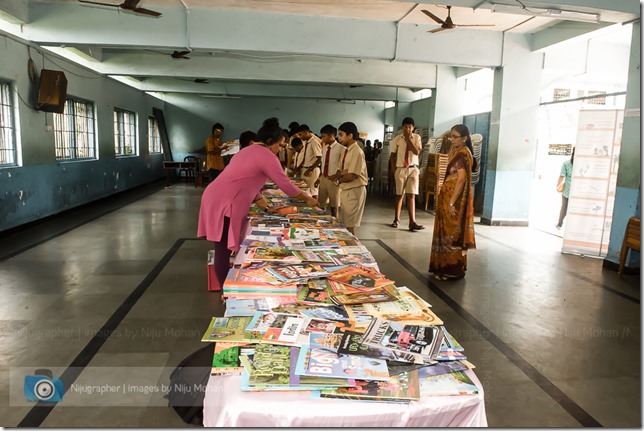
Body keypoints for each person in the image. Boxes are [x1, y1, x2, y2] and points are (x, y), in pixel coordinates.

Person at [197, 118, 318, 290]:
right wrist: (307, 198)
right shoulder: (267, 156)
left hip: (215, 195)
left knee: (223, 246)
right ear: (270, 142)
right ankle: (226, 291)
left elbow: (246, 180)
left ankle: (228, 286)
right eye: (279, 145)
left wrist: (265, 206)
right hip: (223, 201)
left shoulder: (247, 151)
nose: (279, 149)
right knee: (222, 248)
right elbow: (284, 183)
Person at [428, 124, 477, 281]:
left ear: (465, 138)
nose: (452, 139)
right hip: (447, 198)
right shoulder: (458, 151)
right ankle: (443, 266)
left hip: (453, 201)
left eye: (455, 137)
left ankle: (453, 269)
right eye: (451, 136)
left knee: (451, 234)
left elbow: (461, 179)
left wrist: (450, 203)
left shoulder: (463, 154)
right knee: (444, 234)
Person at [389, 117, 424, 231]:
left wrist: (409, 140)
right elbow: (392, 156)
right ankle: (396, 219)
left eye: (410, 127)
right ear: (402, 128)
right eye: (406, 127)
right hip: (401, 169)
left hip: (413, 169)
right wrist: (395, 170)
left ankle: (412, 222)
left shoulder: (417, 138)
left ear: (413, 128)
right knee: (399, 195)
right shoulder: (397, 139)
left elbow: (416, 152)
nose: (408, 129)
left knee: (411, 195)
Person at [336, 121, 368, 235]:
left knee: (350, 225)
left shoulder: (357, 152)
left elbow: (350, 176)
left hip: (354, 190)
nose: (339, 138)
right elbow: (340, 171)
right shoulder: (346, 150)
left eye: (341, 135)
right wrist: (341, 175)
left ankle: (353, 250)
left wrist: (338, 178)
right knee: (345, 224)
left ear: (350, 135)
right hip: (345, 189)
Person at [316, 124, 344, 218]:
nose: (322, 138)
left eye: (324, 136)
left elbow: (343, 166)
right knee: (321, 203)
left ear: (331, 136)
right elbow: (323, 164)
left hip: (333, 180)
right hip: (324, 178)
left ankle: (335, 222)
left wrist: (336, 176)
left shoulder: (341, 149)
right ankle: (321, 219)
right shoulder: (324, 148)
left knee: (334, 205)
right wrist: (319, 178)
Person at [294, 124, 322, 199]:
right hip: (305, 169)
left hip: (312, 170)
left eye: (300, 134)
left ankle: (315, 208)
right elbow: (305, 158)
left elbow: (319, 157)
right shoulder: (306, 142)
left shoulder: (314, 142)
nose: (300, 137)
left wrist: (310, 169)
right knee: (306, 191)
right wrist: (298, 168)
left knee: (313, 191)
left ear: (306, 132)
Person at [556, 147, 575, 229]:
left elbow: (562, 176)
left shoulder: (566, 163)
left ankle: (559, 224)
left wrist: (557, 185)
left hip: (567, 190)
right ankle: (566, 225)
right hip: (574, 190)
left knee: (564, 207)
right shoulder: (582, 164)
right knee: (571, 208)